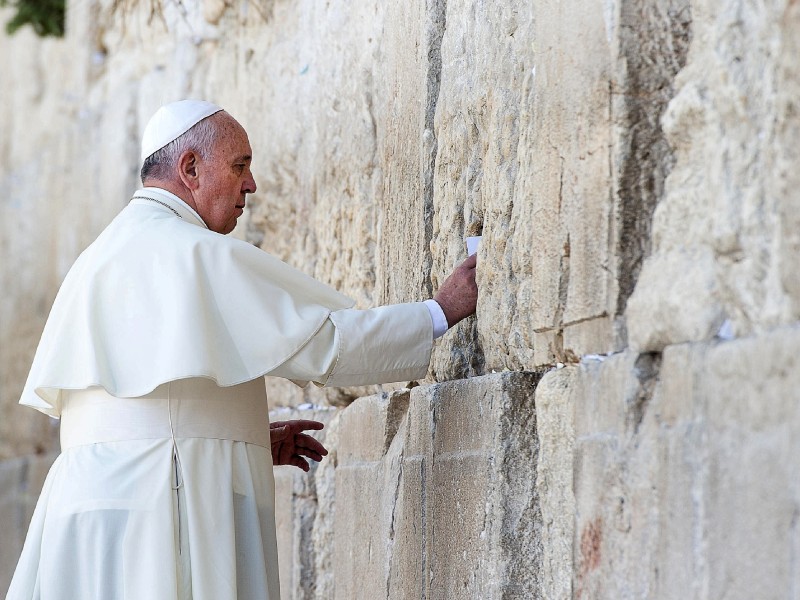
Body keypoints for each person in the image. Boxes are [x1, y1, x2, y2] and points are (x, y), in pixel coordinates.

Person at [5, 100, 477, 600]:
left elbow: (139, 413)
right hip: (164, 505)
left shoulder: (95, 258)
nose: (250, 185)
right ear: (190, 168)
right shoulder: (195, 252)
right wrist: (438, 312)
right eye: (239, 166)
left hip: (84, 515)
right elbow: (326, 345)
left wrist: (238, 434)